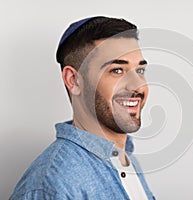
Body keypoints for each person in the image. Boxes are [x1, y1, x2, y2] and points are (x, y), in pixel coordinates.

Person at [9, 16, 155, 200]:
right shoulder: (54, 183)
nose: (137, 86)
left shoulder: (126, 161)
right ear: (74, 80)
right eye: (117, 70)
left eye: (140, 71)